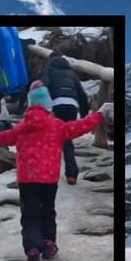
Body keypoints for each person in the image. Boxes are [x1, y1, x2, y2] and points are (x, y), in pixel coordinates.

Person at [0, 81, 112, 261]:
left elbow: (2, 138)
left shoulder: (22, 128)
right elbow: (80, 126)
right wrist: (99, 114)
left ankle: (32, 251)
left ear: (30, 104)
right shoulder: (56, 126)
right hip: (49, 179)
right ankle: (48, 244)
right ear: (48, 104)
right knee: (48, 212)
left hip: (27, 179)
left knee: (30, 216)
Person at [41, 52, 90, 185]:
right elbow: (82, 95)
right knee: (67, 140)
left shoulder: (49, 69)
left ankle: (47, 171)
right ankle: (72, 174)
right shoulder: (71, 73)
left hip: (56, 105)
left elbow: (43, 86)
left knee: (50, 138)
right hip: (72, 106)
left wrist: (43, 108)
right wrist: (84, 116)